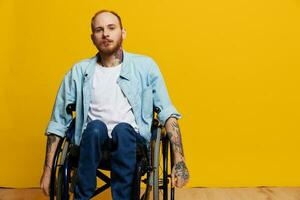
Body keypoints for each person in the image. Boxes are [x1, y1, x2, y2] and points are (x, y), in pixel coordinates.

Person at [40, 10, 189, 200]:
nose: (106, 34)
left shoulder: (145, 67)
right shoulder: (79, 71)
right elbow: (58, 122)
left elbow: (167, 113)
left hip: (131, 143)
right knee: (94, 128)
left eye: (111, 28)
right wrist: (47, 171)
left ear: (123, 32)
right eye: (99, 30)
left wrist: (180, 160)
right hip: (91, 143)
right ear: (93, 38)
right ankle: (81, 196)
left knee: (123, 130)